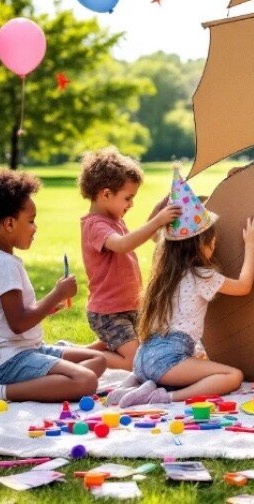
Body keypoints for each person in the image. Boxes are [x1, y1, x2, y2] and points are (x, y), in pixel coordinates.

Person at [0, 170, 106, 414]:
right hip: (9, 358)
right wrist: (57, 295)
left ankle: (5, 380)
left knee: (98, 361)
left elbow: (8, 316)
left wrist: (47, 307)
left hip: (23, 350)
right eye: (30, 221)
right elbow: (18, 323)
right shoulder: (3, 264)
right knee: (86, 381)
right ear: (8, 224)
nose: (35, 227)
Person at [110, 169, 254, 407]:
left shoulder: (164, 275)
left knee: (184, 366)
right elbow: (244, 286)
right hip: (166, 362)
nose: (215, 245)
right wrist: (251, 245)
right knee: (232, 376)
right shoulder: (202, 274)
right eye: (212, 241)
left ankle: (129, 388)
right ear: (202, 244)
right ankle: (164, 396)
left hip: (141, 359)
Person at [79, 147, 182, 370]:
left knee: (145, 347)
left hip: (129, 307)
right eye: (128, 198)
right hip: (108, 312)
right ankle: (80, 358)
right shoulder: (95, 225)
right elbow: (123, 245)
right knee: (134, 360)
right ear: (105, 194)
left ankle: (77, 352)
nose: (131, 204)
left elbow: (149, 234)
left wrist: (162, 206)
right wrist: (157, 221)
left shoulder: (113, 219)